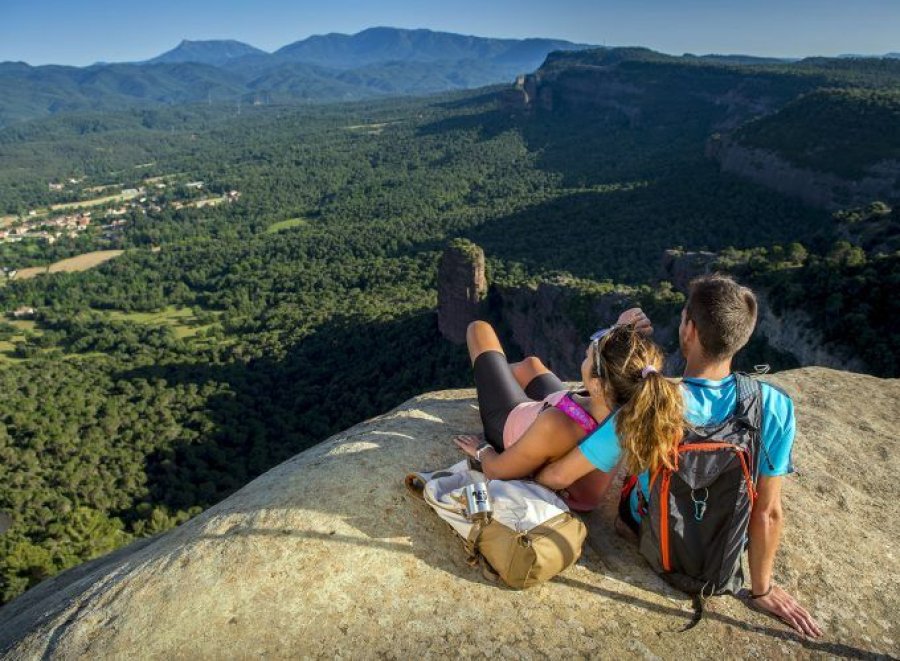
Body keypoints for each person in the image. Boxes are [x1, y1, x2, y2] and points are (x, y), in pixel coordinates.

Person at [617, 274, 822, 638]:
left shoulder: (655, 399)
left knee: (628, 481)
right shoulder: (773, 405)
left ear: (690, 331)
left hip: (648, 537)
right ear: (740, 338)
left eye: (683, 318)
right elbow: (768, 511)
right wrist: (762, 589)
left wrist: (618, 335)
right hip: (722, 555)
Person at [453, 308, 683, 513]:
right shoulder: (628, 407)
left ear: (597, 385)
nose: (584, 357)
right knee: (530, 364)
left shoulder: (555, 423)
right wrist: (618, 332)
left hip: (511, 425)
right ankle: (499, 380)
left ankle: (493, 383)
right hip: (568, 412)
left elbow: (497, 470)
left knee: (479, 329)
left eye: (587, 358)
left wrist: (482, 450)